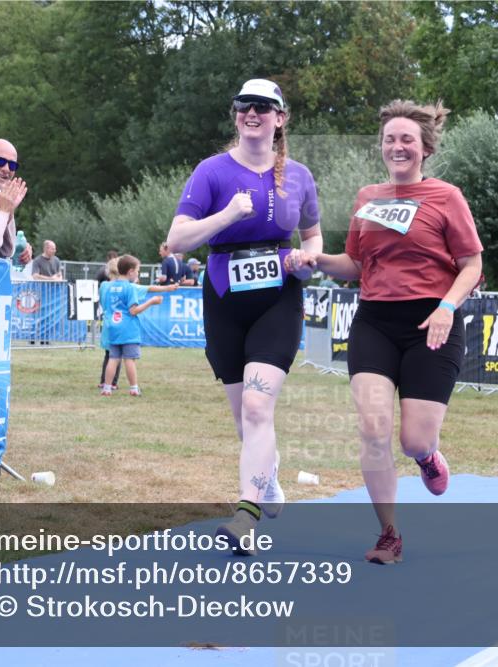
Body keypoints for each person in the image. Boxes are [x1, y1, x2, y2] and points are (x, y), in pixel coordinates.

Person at [306, 99, 483, 565]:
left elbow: (472, 264)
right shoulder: (368, 198)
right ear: (381, 148)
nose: (397, 146)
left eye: (407, 139)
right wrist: (315, 260)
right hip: (375, 321)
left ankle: (428, 458)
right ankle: (389, 534)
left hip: (432, 323)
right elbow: (355, 264)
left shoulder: (447, 197)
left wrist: (448, 306)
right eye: (389, 139)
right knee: (372, 427)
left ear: (424, 147)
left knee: (414, 441)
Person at [166, 78, 322, 555]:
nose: (251, 114)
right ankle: (267, 479)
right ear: (235, 115)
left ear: (280, 118)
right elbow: (177, 242)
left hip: (278, 299)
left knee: (258, 408)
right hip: (224, 298)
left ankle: (245, 517)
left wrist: (305, 258)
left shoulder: (299, 175)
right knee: (244, 420)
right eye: (243, 107)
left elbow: (313, 237)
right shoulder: (211, 172)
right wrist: (227, 215)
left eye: (262, 107)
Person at [99, 254, 173, 396]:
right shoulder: (130, 288)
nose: (137, 274)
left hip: (112, 327)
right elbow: (133, 311)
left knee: (113, 358)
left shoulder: (107, 286)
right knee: (129, 359)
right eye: (137, 271)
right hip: (128, 329)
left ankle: (107, 388)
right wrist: (152, 302)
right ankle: (133, 388)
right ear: (130, 271)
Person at [96, 250, 121, 389]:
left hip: (107, 322)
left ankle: (103, 380)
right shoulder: (120, 286)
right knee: (116, 355)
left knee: (107, 354)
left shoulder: (104, 286)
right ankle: (113, 382)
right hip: (119, 322)